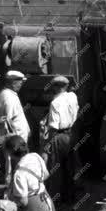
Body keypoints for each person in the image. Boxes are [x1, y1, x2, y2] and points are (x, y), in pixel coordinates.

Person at [43, 75, 79, 204]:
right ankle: (72, 196)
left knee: (57, 168)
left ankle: (58, 199)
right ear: (66, 86)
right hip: (72, 134)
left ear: (56, 87)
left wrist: (48, 143)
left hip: (60, 136)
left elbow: (53, 126)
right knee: (71, 166)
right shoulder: (73, 97)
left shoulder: (55, 103)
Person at [0, 71, 30, 185]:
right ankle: (12, 196)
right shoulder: (8, 97)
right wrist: (13, 140)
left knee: (15, 168)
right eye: (19, 82)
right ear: (12, 82)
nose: (21, 84)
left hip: (16, 141)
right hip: (15, 142)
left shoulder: (8, 94)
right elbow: (8, 120)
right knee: (13, 169)